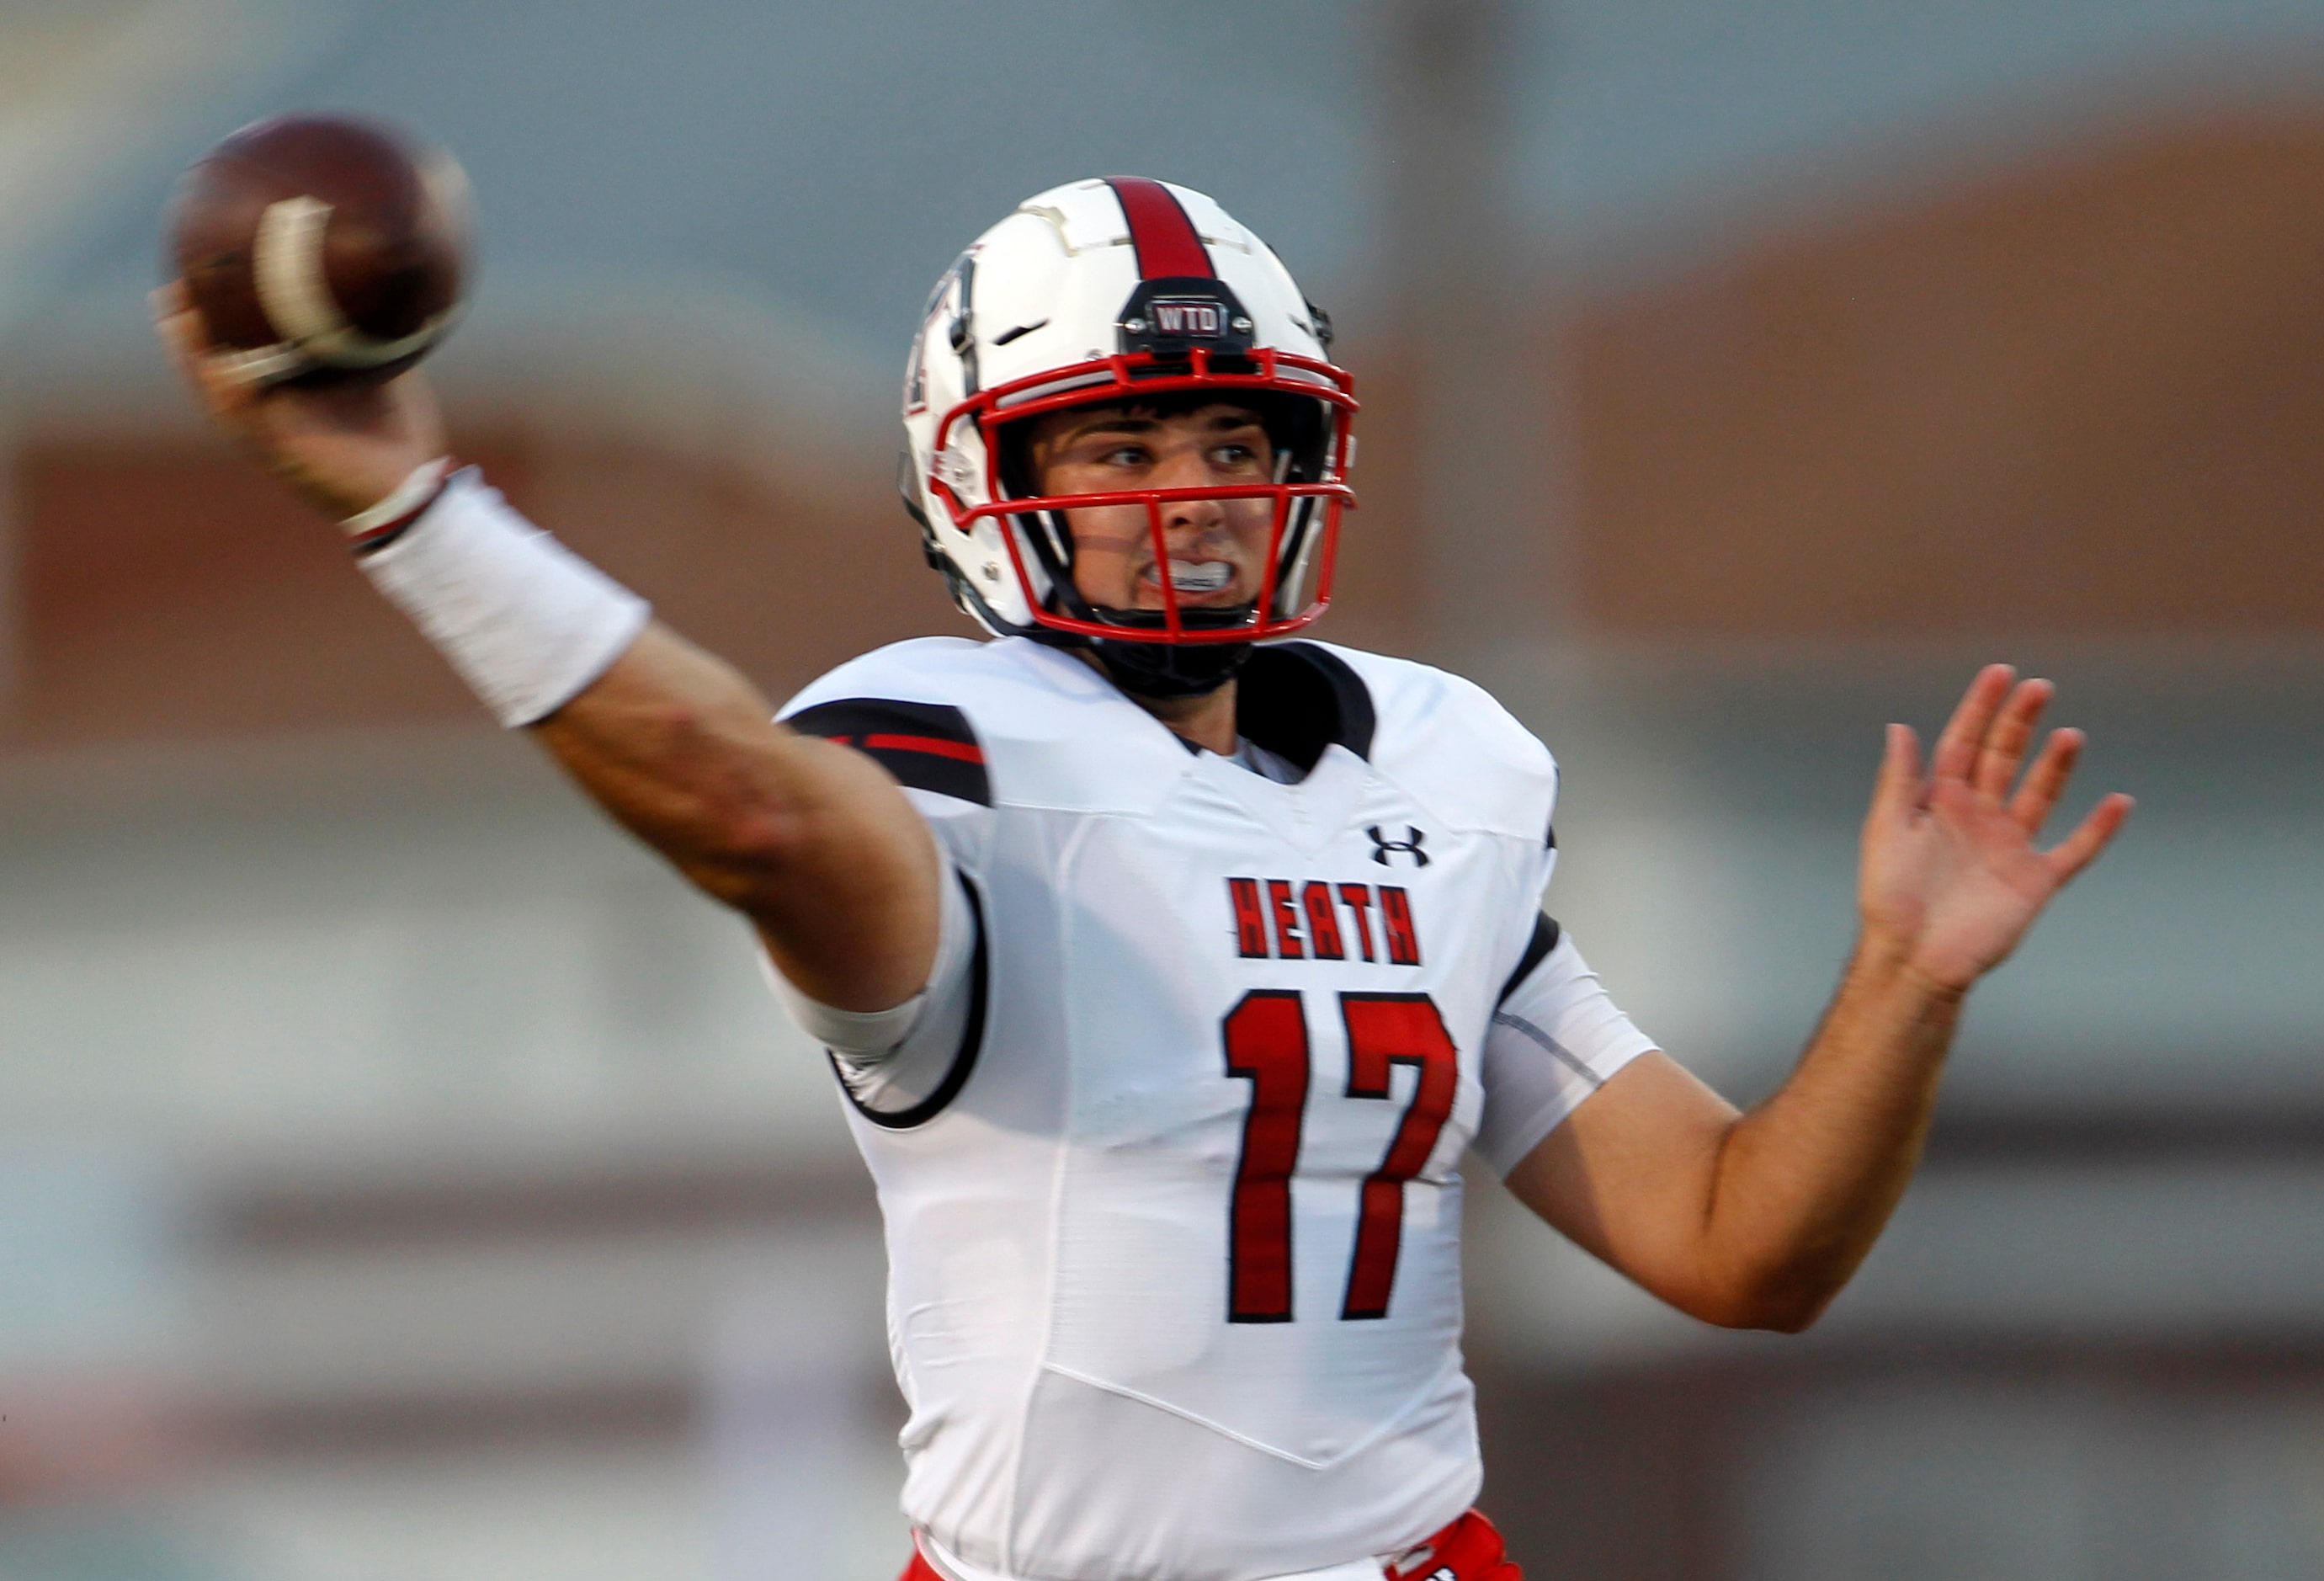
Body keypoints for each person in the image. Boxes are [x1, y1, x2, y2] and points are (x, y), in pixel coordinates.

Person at [157, 176, 2130, 1581]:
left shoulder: (1440, 772)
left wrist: (1903, 971)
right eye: (1112, 449)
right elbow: (746, 810)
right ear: (982, 481)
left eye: (1224, 434)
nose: (1186, 493)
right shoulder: (945, 753)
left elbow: (1736, 1245)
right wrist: (421, 513)